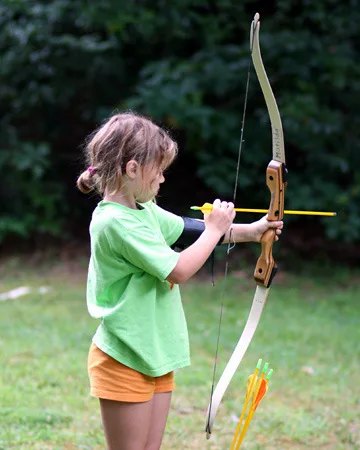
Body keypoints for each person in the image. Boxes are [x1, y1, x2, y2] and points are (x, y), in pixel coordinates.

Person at [77, 112, 283, 450]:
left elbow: (193, 231)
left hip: (156, 353)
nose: (161, 179)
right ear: (131, 169)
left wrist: (255, 230)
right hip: (124, 357)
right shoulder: (114, 222)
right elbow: (179, 269)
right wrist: (216, 228)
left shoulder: (144, 209)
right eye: (158, 170)